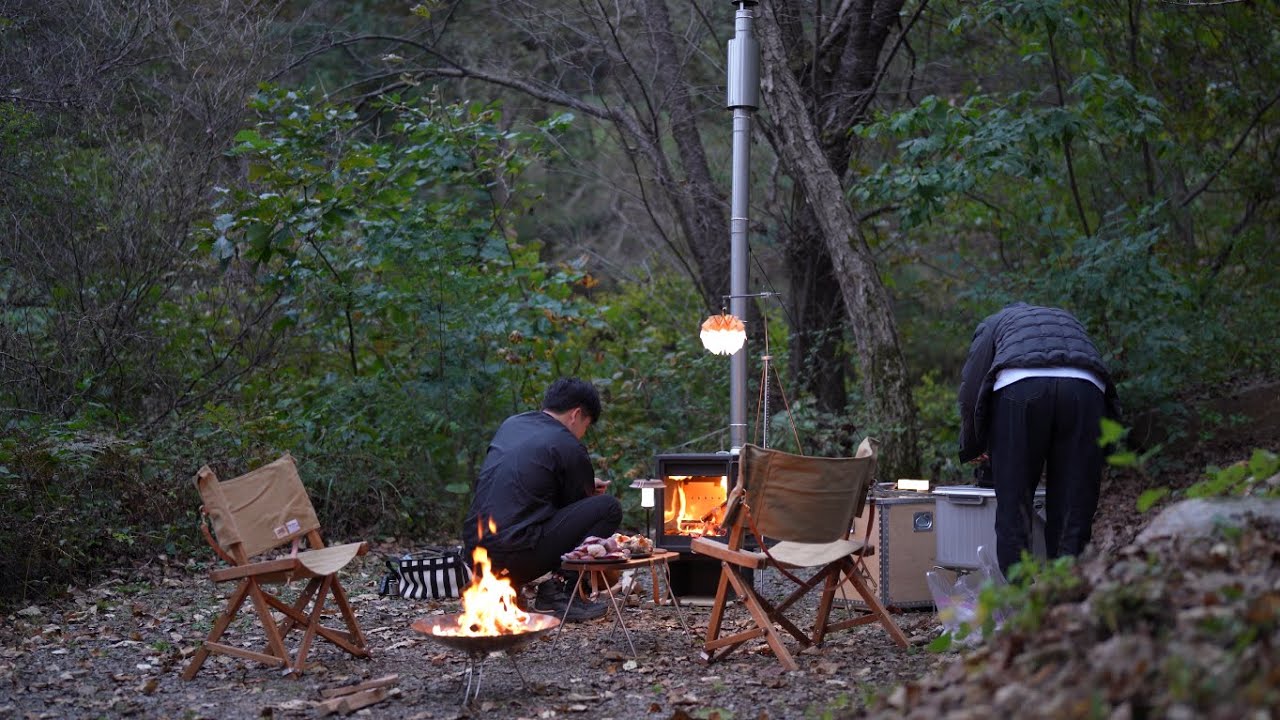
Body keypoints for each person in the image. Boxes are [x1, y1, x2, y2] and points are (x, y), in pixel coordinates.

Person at [957, 303, 1121, 575]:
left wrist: (974, 444)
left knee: (1015, 498)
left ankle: (1019, 596)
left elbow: (972, 386)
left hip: (1019, 387)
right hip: (1085, 386)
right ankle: (1066, 593)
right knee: (1073, 502)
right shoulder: (1068, 319)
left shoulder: (994, 323)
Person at [462, 377, 622, 621]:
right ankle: (558, 592)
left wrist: (585, 487)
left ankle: (504, 590)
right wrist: (588, 492)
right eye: (586, 425)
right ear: (576, 414)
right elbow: (575, 511)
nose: (582, 434)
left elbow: (523, 485)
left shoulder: (512, 424)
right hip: (516, 554)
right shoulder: (567, 443)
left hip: (475, 552)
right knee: (608, 508)